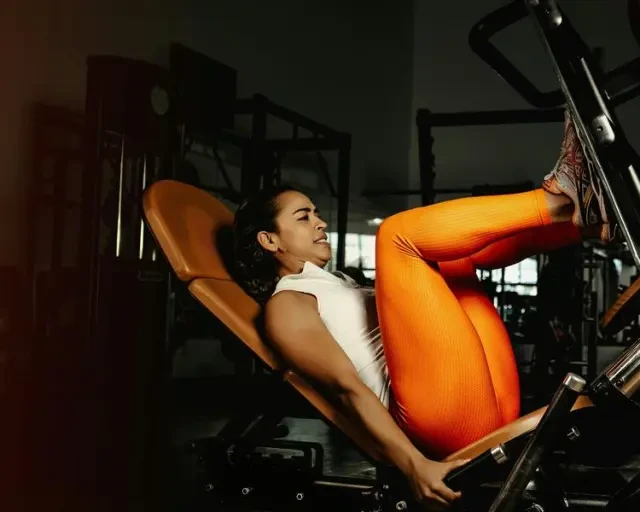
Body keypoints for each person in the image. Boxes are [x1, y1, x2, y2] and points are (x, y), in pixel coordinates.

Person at [231, 114, 612, 510]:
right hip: (437, 424)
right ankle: (559, 201)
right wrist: (415, 466)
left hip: (478, 402)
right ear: (269, 239)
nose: (320, 222)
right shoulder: (286, 303)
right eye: (303, 216)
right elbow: (347, 389)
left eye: (316, 213)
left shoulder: (338, 283)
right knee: (397, 236)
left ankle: (583, 224)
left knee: (451, 256)